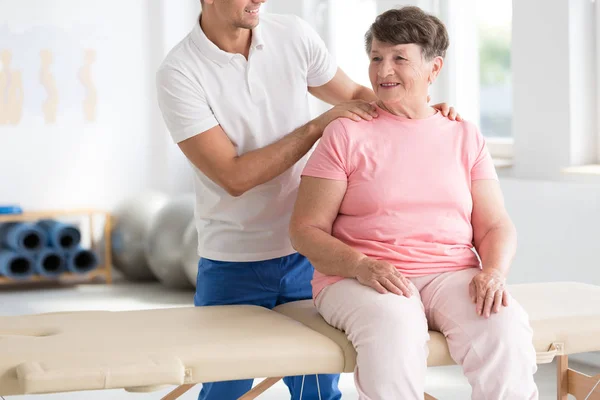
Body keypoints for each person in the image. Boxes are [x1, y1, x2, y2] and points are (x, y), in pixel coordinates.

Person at [156, 1, 459, 399]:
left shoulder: (292, 34)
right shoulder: (179, 71)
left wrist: (418, 113)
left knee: (318, 390)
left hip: (311, 255)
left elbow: (352, 94)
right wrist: (318, 125)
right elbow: (233, 176)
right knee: (223, 389)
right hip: (234, 260)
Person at [289, 6, 539, 400]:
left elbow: (494, 226)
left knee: (504, 326)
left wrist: (493, 271)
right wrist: (361, 265)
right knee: (397, 327)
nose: (383, 70)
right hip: (359, 276)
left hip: (450, 273)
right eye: (376, 57)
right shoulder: (345, 133)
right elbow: (305, 230)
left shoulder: (463, 135)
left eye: (399, 58)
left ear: (433, 68)